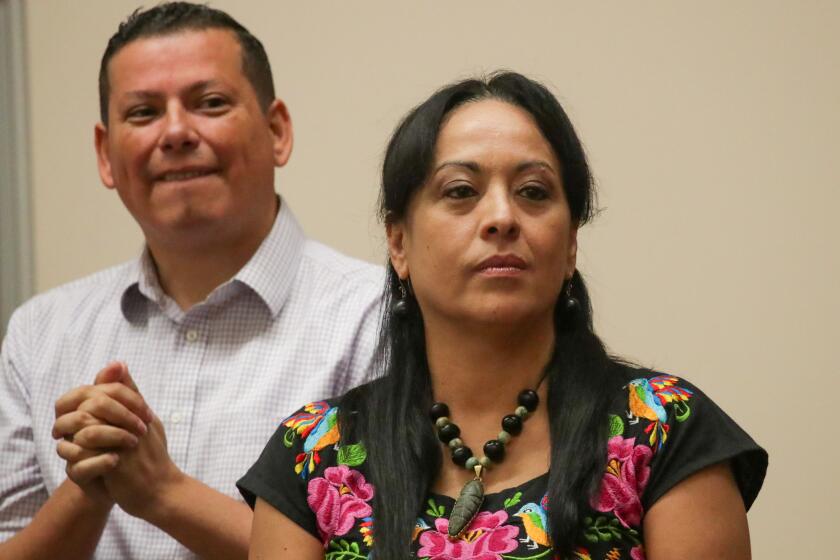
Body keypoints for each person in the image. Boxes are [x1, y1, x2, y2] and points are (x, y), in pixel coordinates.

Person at [238, 72, 768, 559]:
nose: (500, 218)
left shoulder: (663, 429)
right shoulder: (314, 454)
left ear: (570, 246)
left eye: (533, 192)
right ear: (398, 241)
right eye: (461, 192)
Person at [0, 3, 382, 559]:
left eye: (210, 104)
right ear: (106, 155)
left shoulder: (375, 315)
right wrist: (93, 480)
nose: (175, 132)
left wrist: (161, 492)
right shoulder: (40, 332)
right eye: (143, 113)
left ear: (277, 131)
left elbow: (380, 549)